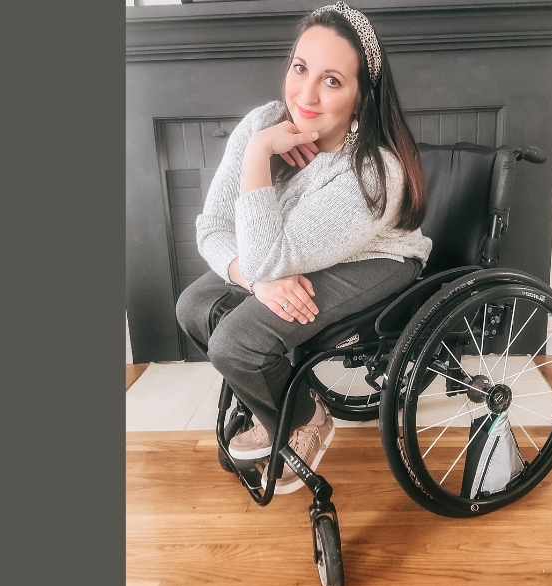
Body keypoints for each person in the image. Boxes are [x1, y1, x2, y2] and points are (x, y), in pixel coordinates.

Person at [176, 2, 432, 494]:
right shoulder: (265, 122)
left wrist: (257, 159)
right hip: (281, 254)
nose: (306, 94)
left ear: (360, 97)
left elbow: (267, 255)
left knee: (237, 343)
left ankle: (303, 419)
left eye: (332, 80)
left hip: (375, 257)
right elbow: (212, 227)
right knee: (193, 306)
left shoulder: (374, 173)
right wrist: (255, 281)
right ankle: (300, 407)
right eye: (300, 69)